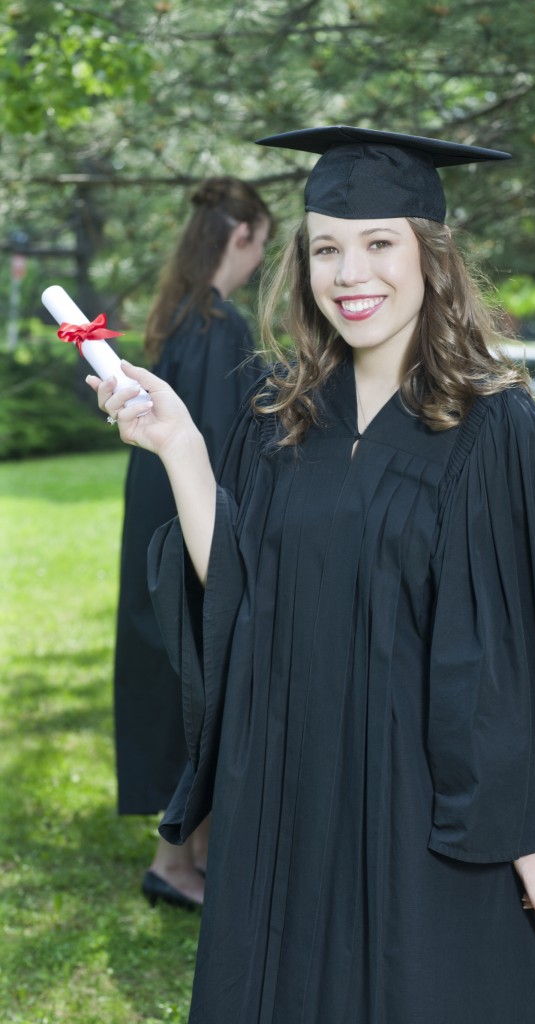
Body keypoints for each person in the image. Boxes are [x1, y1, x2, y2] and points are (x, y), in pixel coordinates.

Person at [89, 126, 535, 1023]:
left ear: (431, 258)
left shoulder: (492, 426)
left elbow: (533, 636)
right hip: (292, 781)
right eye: (327, 247)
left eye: (378, 244)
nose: (349, 273)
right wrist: (179, 446)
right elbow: (244, 594)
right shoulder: (280, 416)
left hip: (430, 800)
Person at [114, 176, 273, 910]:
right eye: (262, 247)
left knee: (198, 685)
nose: (258, 263)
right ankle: (175, 864)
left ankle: (199, 855)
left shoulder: (181, 317)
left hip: (159, 527)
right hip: (192, 525)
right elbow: (218, 445)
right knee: (205, 690)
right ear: (241, 234)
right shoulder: (218, 324)